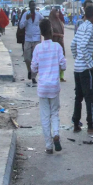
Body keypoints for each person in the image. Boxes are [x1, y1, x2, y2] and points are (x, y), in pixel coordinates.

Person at [31, 19, 66, 154]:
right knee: (55, 113)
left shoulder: (38, 48)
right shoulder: (57, 47)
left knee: (45, 116)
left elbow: (34, 68)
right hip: (54, 86)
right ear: (51, 31)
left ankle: (48, 146)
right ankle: (56, 133)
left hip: (43, 87)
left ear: (41, 32)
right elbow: (63, 65)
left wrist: (40, 68)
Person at [70, 5, 93, 134]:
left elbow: (73, 45)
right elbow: (83, 46)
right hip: (85, 69)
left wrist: (77, 58)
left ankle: (76, 123)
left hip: (77, 68)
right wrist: (90, 63)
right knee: (89, 97)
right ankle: (90, 125)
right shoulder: (90, 27)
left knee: (78, 97)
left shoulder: (81, 26)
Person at [20, 0, 44, 85]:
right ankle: (29, 70)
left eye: (34, 5)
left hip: (36, 39)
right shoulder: (25, 14)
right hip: (28, 39)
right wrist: (26, 20)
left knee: (35, 59)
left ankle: (33, 77)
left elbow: (43, 21)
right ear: (29, 7)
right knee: (27, 58)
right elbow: (21, 26)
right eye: (32, 6)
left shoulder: (38, 15)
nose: (33, 7)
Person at [49, 9, 66, 82]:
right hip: (54, 42)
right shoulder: (50, 22)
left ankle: (61, 76)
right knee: (54, 60)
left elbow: (62, 31)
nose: (57, 14)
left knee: (61, 58)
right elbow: (49, 33)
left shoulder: (59, 21)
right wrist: (59, 35)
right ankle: (55, 75)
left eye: (58, 12)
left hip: (60, 42)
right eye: (56, 12)